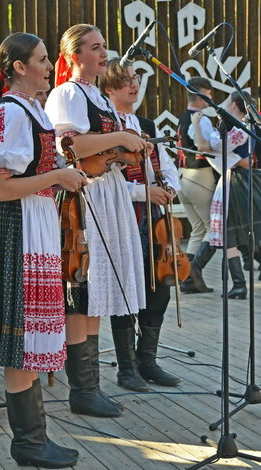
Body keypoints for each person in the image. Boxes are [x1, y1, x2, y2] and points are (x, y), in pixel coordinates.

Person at [0, 32, 86, 468]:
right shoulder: (8, 112)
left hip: (33, 224)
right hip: (17, 227)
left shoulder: (32, 110)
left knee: (29, 335)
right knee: (22, 337)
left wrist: (62, 175)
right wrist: (60, 178)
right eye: (41, 59)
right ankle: (29, 442)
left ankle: (32, 439)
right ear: (20, 67)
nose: (48, 64)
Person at [45, 24, 148, 417]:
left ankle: (91, 387)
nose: (104, 53)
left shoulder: (98, 96)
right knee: (81, 290)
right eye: (95, 47)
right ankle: (82, 391)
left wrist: (125, 150)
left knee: (96, 293)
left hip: (108, 192)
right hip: (84, 196)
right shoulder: (68, 93)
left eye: (104, 46)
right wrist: (117, 139)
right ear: (74, 56)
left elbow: (100, 149)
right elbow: (70, 146)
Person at [98, 57, 181, 390]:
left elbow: (167, 163)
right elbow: (102, 177)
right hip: (124, 215)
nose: (134, 85)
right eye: (125, 80)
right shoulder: (105, 129)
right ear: (108, 87)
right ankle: (127, 368)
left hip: (154, 218)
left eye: (134, 79)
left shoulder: (146, 123)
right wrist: (140, 192)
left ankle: (148, 361)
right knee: (126, 290)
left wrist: (169, 186)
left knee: (159, 288)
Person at [191, 90, 261, 299]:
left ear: (233, 106)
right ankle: (238, 284)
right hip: (239, 179)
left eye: (229, 102)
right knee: (235, 233)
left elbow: (206, 145)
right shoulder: (246, 127)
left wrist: (196, 123)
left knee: (230, 234)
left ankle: (239, 285)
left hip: (236, 182)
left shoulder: (240, 130)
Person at [177, 77, 216, 294]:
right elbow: (206, 147)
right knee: (214, 227)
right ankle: (193, 271)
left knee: (198, 229)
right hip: (200, 176)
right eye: (208, 95)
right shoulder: (201, 119)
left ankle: (187, 279)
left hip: (183, 176)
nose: (211, 98)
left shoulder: (183, 117)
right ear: (200, 96)